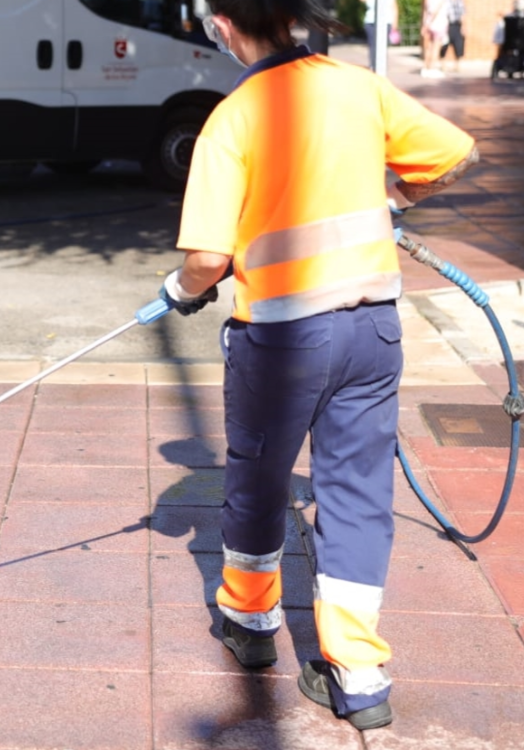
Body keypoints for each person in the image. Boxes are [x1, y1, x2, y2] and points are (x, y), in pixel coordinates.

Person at [157, 0, 478, 731]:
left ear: (227, 26)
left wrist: (180, 292)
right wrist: (392, 198)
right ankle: (359, 678)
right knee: (359, 493)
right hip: (372, 329)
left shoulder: (233, 119)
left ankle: (249, 619)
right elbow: (455, 154)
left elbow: (207, 259)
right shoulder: (357, 86)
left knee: (259, 479)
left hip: (281, 342)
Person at [363, 0, 400, 68]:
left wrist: (395, 25)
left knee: (382, 45)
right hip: (370, 22)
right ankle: (373, 64)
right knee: (372, 45)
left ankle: (381, 64)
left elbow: (395, 9)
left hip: (385, 22)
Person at [421, 0, 452, 76]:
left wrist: (425, 24)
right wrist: (429, 24)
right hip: (439, 24)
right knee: (435, 47)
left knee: (428, 47)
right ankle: (432, 68)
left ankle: (426, 67)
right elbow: (436, 11)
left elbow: (425, 11)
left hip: (428, 23)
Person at [440, 0, 467, 72]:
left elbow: (463, 14)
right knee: (445, 45)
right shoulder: (446, 2)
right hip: (448, 25)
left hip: (458, 25)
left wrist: (463, 27)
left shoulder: (460, 2)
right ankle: (443, 65)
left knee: (459, 45)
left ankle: (457, 66)